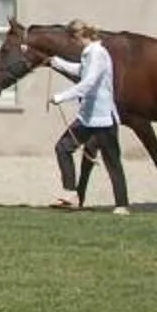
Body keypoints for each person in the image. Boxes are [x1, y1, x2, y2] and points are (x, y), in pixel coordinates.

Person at [43, 19, 130, 213]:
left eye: (71, 39)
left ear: (78, 36)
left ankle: (122, 205)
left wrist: (61, 97)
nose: (71, 44)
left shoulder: (97, 53)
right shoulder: (89, 54)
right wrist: (54, 61)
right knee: (63, 147)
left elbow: (88, 82)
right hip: (87, 116)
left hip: (103, 117)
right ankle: (70, 193)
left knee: (112, 161)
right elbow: (80, 71)